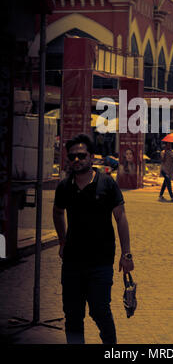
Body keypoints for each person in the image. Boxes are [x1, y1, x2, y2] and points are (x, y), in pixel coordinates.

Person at [53, 133, 134, 344]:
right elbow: (57, 211)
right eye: (72, 157)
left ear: (91, 156)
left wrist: (126, 254)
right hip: (72, 262)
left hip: (101, 261)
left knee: (100, 311)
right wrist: (62, 240)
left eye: (81, 155)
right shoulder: (64, 187)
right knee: (72, 315)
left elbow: (121, 217)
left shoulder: (107, 184)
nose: (76, 160)